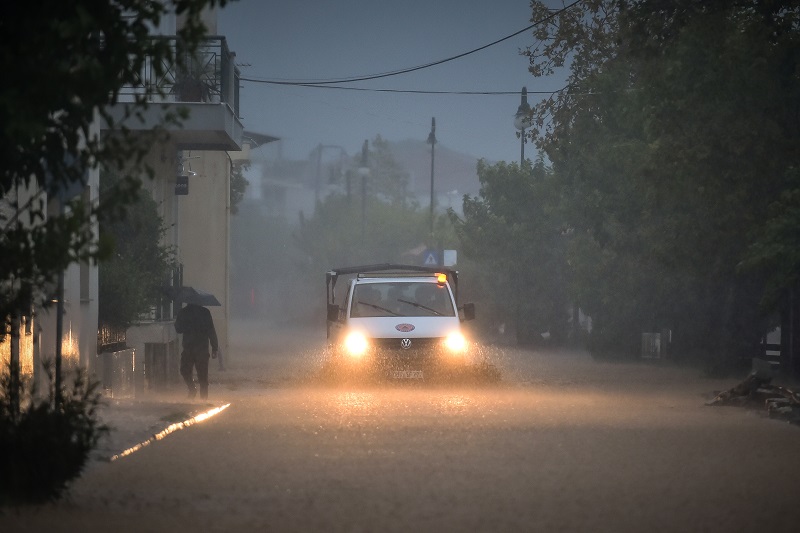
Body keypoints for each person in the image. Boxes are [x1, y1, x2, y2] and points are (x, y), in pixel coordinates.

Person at [174, 302, 219, 399]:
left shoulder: (184, 312)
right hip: (199, 348)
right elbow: (211, 330)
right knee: (201, 375)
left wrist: (215, 347)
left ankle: (193, 390)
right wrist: (214, 347)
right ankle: (203, 398)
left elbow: (178, 329)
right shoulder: (204, 312)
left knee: (186, 371)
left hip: (191, 348)